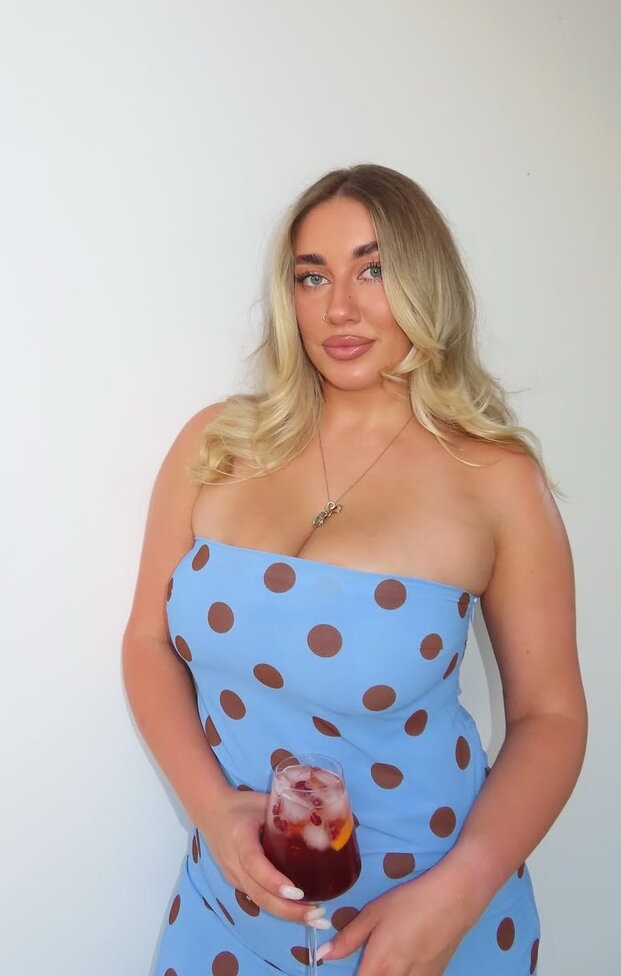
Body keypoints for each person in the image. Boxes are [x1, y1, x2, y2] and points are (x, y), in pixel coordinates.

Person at [122, 164, 587, 976]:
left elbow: (550, 716)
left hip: (425, 920)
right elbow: (147, 641)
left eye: (372, 271)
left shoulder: (496, 479)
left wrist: (457, 895)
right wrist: (214, 811)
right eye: (312, 277)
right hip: (227, 912)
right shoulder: (217, 443)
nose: (339, 307)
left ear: (426, 284)